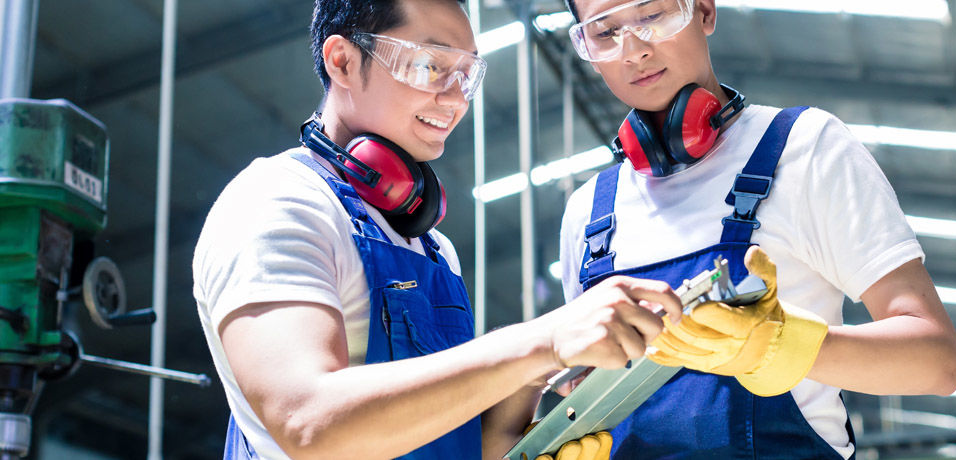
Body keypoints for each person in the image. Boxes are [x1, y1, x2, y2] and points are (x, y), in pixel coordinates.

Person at [192, 1, 684, 458]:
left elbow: (452, 440)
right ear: (342, 61)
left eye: (467, 75)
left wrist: (530, 383)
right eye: (429, 65)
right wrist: (541, 340)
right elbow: (309, 422)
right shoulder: (278, 202)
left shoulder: (432, 247)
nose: (455, 100)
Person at [556, 0, 956, 457]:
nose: (632, 50)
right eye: (605, 32)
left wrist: (782, 348)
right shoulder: (588, 213)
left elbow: (936, 361)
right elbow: (588, 394)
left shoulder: (805, 148)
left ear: (705, 12)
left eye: (653, 16)